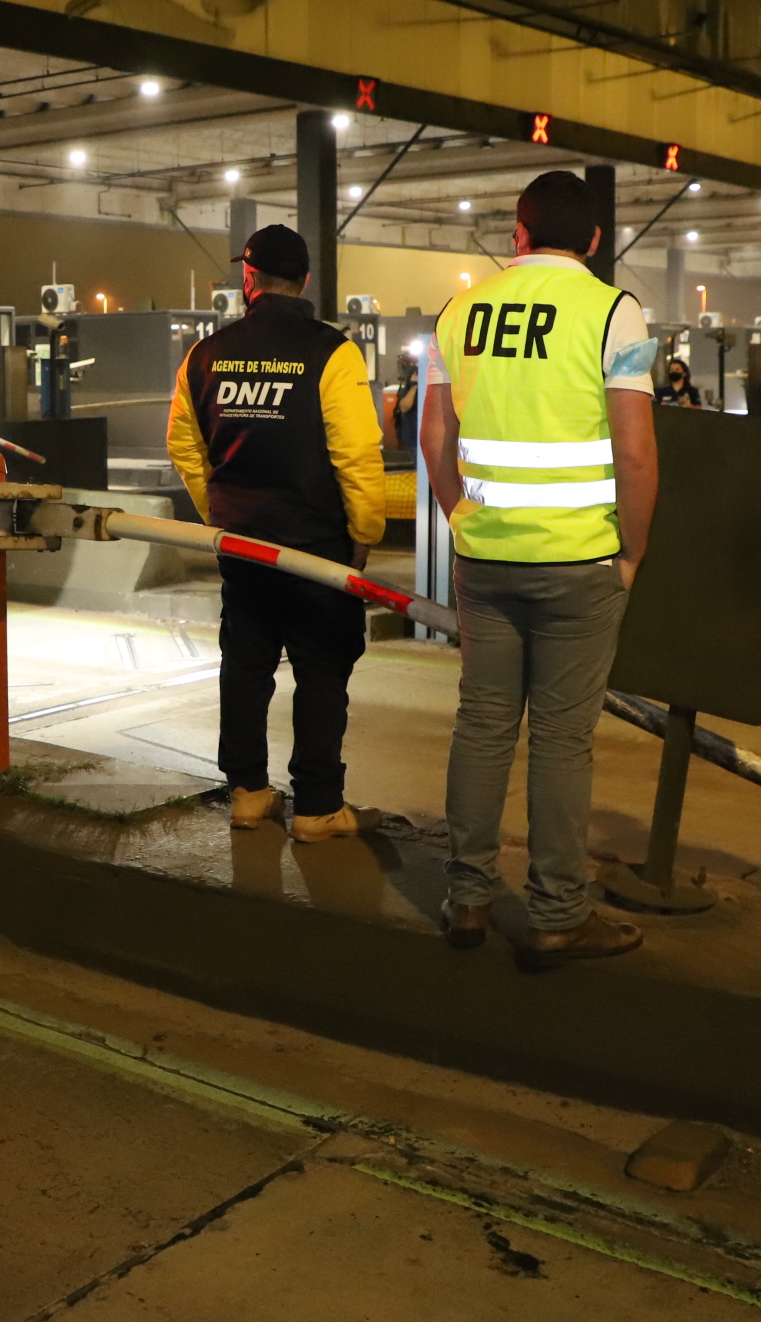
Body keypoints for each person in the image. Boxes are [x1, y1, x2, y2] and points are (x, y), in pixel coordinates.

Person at [420, 171, 660, 968]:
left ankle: (467, 898)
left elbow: (432, 439)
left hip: (485, 557)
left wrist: (461, 516)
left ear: (517, 234)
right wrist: (631, 551)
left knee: (482, 726)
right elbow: (634, 449)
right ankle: (558, 912)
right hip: (579, 561)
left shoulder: (459, 311)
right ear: (593, 240)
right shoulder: (613, 311)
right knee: (562, 738)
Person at [167, 224, 388, 841]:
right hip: (317, 551)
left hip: (243, 545)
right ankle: (317, 808)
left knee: (245, 663)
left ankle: (248, 793)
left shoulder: (206, 354)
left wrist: (218, 509)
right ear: (306, 280)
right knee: (321, 671)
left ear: (248, 278)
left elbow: (182, 443)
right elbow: (357, 457)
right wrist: (364, 534)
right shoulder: (332, 352)